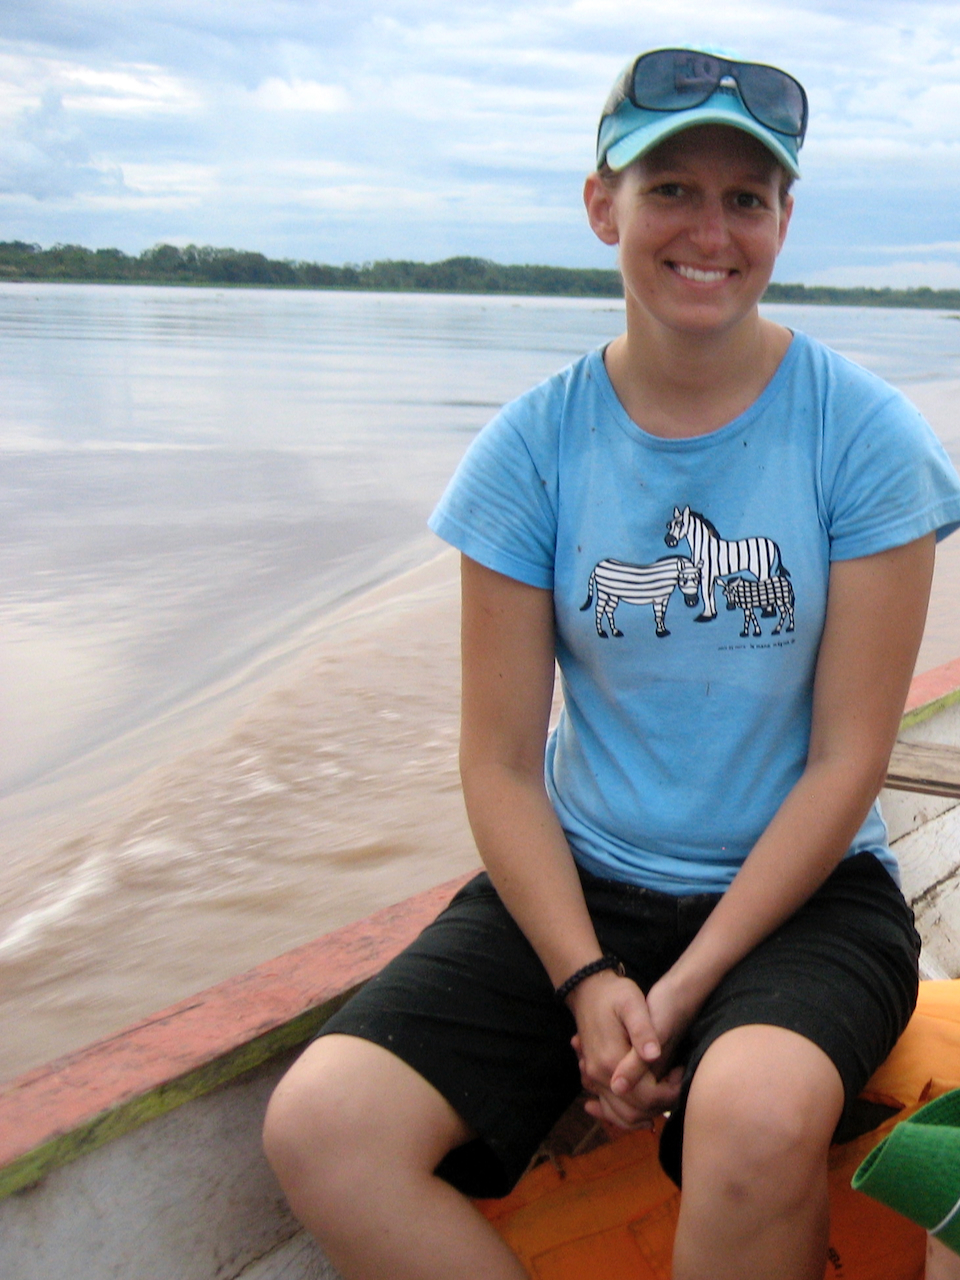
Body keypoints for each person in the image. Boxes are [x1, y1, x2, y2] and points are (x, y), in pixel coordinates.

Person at [263, 47, 960, 1280]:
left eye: (747, 198)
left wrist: (679, 989)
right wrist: (589, 977)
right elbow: (497, 761)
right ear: (605, 209)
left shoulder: (864, 438)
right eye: (671, 189)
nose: (710, 228)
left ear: (784, 222)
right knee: (325, 1124)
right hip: (586, 886)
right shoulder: (532, 449)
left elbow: (851, 758)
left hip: (805, 897)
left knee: (751, 1114)